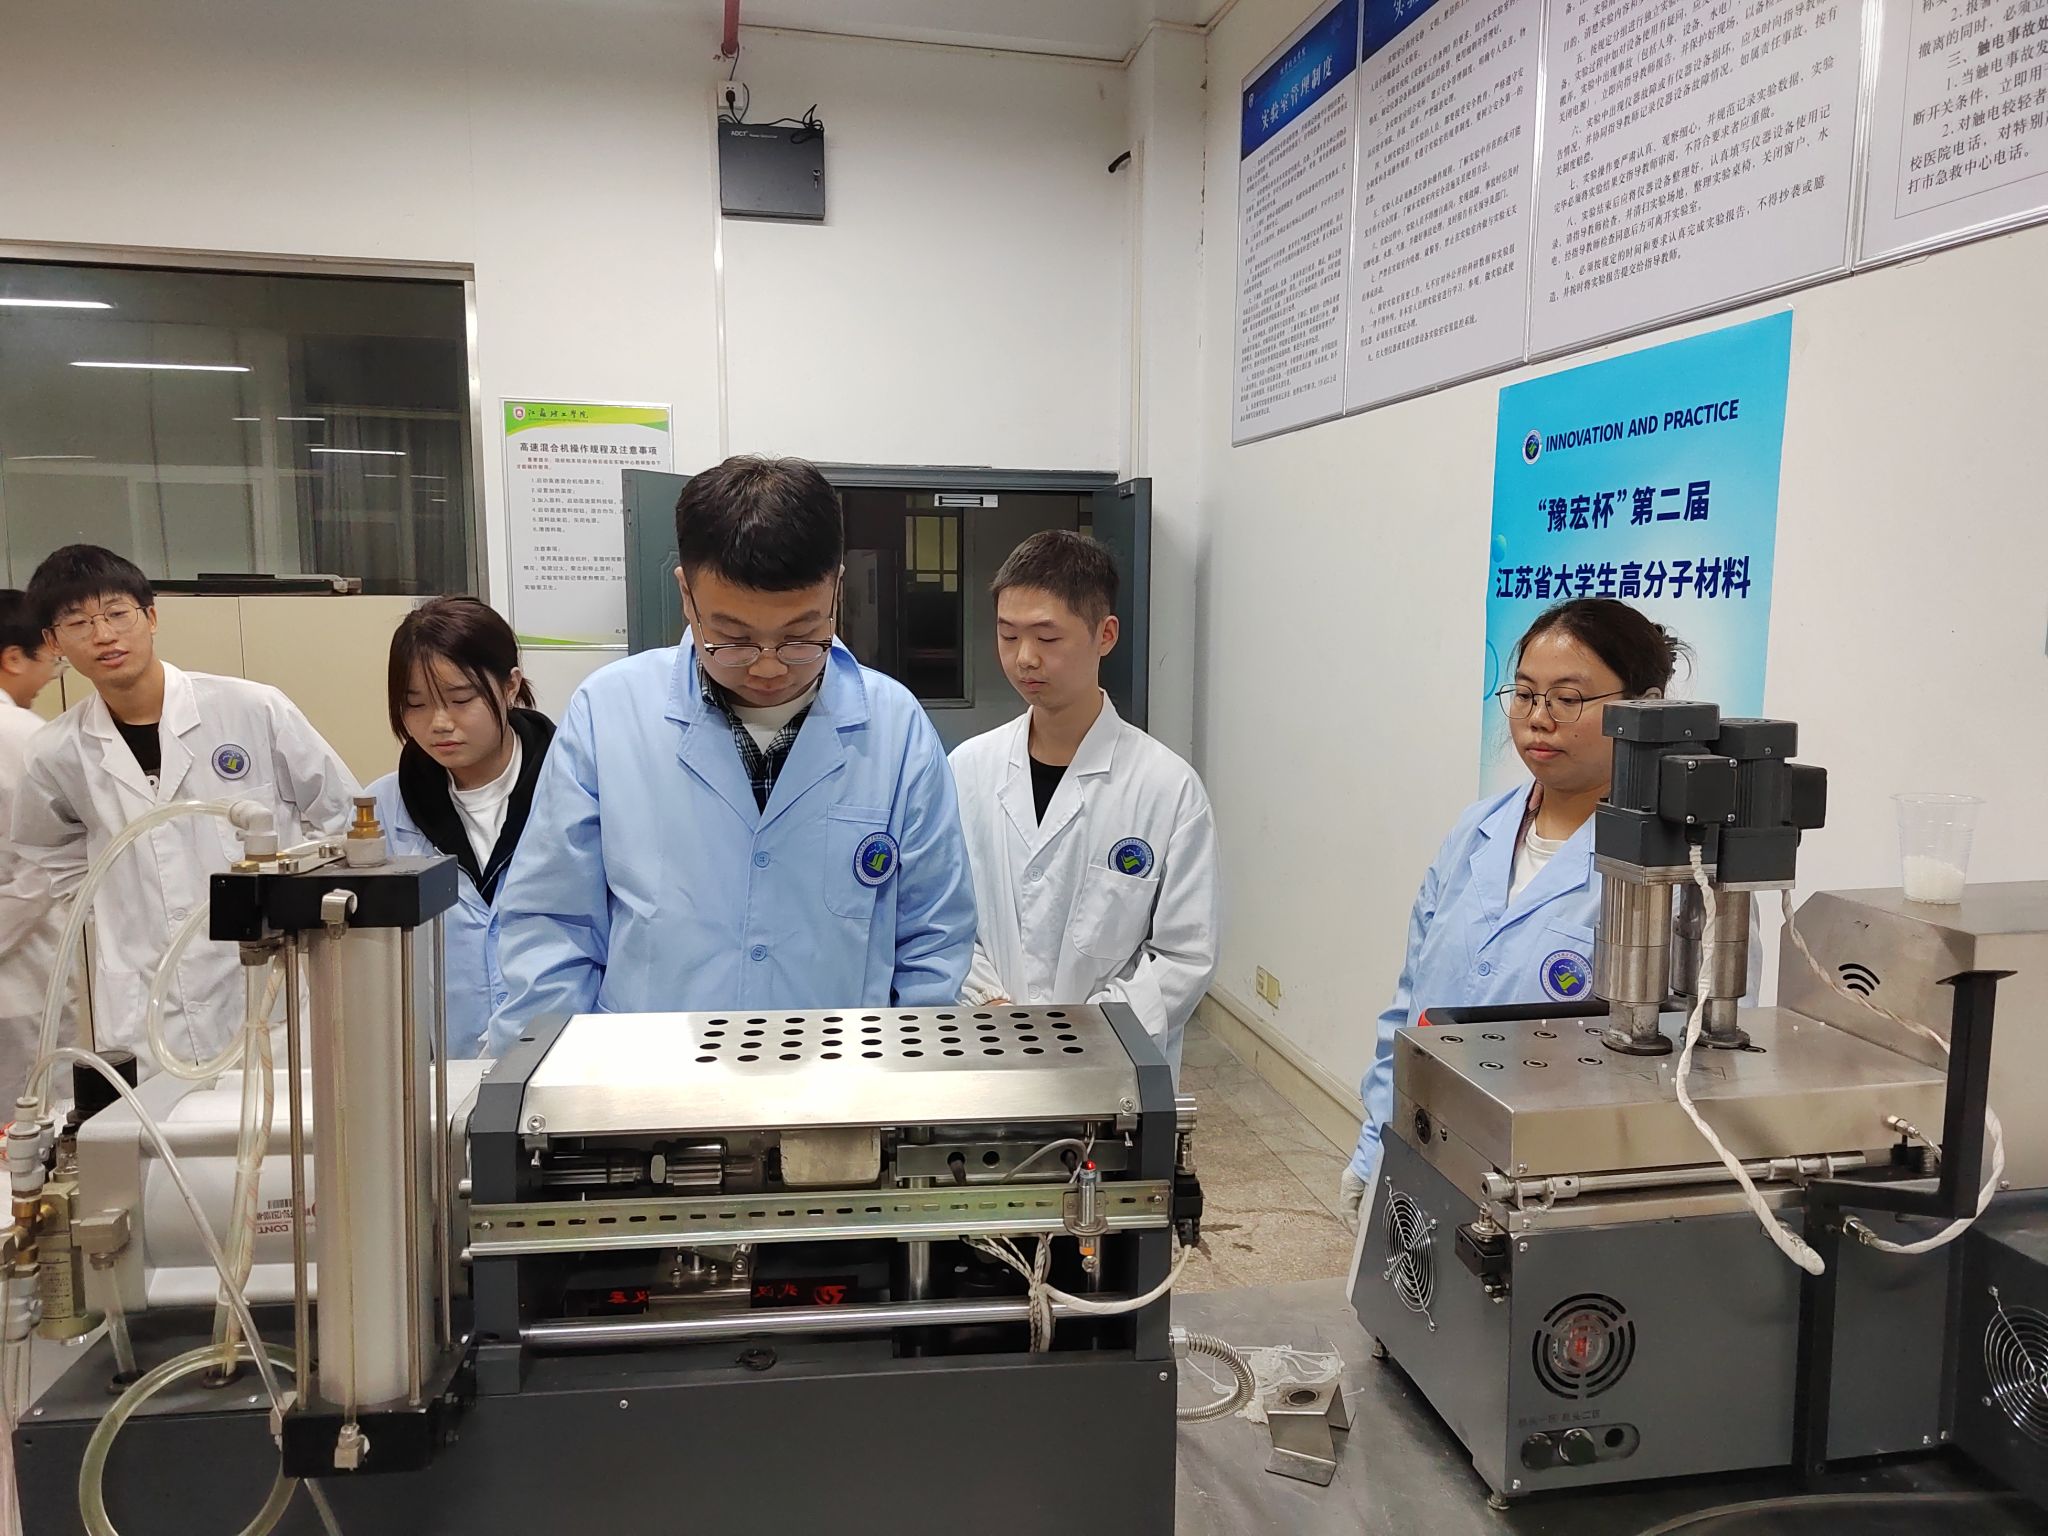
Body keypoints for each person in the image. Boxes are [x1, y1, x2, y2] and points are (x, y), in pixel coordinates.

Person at [491, 456, 976, 1044]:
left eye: (801, 636)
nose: (768, 667)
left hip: (840, 1078)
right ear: (686, 595)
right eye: (733, 638)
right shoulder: (609, 713)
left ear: (837, 589)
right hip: (645, 1079)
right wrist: (545, 1077)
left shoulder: (895, 728)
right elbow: (552, 927)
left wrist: (907, 1079)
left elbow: (932, 940)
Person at [1340, 598, 1686, 1229]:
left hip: (1569, 1195)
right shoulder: (1478, 830)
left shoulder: (1677, 872)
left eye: (1567, 699)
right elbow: (1410, 1007)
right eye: (1524, 695)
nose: (1537, 720)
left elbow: (1697, 1065)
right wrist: (1373, 1149)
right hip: (1427, 1154)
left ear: (1646, 708)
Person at [4, 547, 358, 1078]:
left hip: (267, 986)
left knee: (282, 1122)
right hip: (144, 1003)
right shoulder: (56, 752)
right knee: (160, 1128)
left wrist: (299, 906)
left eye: (116, 613)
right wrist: (118, 905)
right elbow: (46, 853)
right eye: (78, 623)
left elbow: (342, 816)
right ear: (54, 643)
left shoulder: (252, 709)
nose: (103, 635)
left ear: (150, 616)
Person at [948, 531, 1218, 1072]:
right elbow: (942, 918)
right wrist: (991, 1006)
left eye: (1047, 637)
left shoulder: (1167, 788)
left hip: (1113, 1067)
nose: (1024, 658)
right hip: (989, 1050)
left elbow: (1184, 955)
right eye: (1007, 635)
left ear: (1105, 635)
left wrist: (1077, 1034)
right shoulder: (966, 769)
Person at [366, 598, 553, 1058]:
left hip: (563, 1058)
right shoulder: (385, 811)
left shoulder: (573, 790)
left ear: (510, 686)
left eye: (461, 699)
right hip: (444, 1073)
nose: (439, 723)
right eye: (416, 705)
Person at [0, 591, 68, 1102]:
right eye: (51, 660)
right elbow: (45, 863)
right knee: (29, 1115)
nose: (51, 676)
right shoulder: (24, 737)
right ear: (13, 658)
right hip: (18, 975)